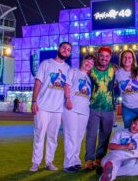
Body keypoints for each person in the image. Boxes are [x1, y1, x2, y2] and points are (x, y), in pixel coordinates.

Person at [29, 42, 72, 172]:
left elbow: (67, 88)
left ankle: (49, 162)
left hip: (58, 109)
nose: (66, 50)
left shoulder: (68, 69)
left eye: (69, 50)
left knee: (53, 137)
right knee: (39, 135)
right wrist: (34, 101)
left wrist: (69, 100)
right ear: (59, 49)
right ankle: (36, 162)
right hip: (42, 106)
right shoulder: (46, 63)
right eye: (64, 48)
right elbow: (38, 83)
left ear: (69, 54)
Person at [115, 50, 138, 167]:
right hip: (127, 108)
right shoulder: (118, 72)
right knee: (129, 134)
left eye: (129, 57)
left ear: (133, 59)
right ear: (121, 59)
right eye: (124, 57)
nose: (127, 59)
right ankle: (130, 158)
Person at [85, 46, 117, 170]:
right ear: (98, 56)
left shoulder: (114, 68)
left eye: (107, 56)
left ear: (110, 58)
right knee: (91, 134)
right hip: (93, 106)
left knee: (105, 135)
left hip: (109, 107)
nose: (104, 58)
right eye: (102, 56)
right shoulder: (90, 69)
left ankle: (99, 158)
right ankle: (89, 159)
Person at [62, 55, 95, 173]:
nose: (88, 64)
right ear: (83, 61)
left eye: (91, 64)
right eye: (87, 61)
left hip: (84, 110)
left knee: (79, 137)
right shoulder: (73, 71)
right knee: (71, 135)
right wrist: (68, 99)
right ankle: (68, 163)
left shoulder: (88, 78)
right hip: (72, 107)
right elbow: (67, 86)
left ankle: (75, 161)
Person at [98, 116, 138, 181]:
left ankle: (107, 172)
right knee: (113, 162)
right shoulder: (120, 132)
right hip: (117, 156)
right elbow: (111, 146)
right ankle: (108, 174)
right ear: (132, 122)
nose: (136, 127)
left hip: (131, 159)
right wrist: (125, 146)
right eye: (135, 124)